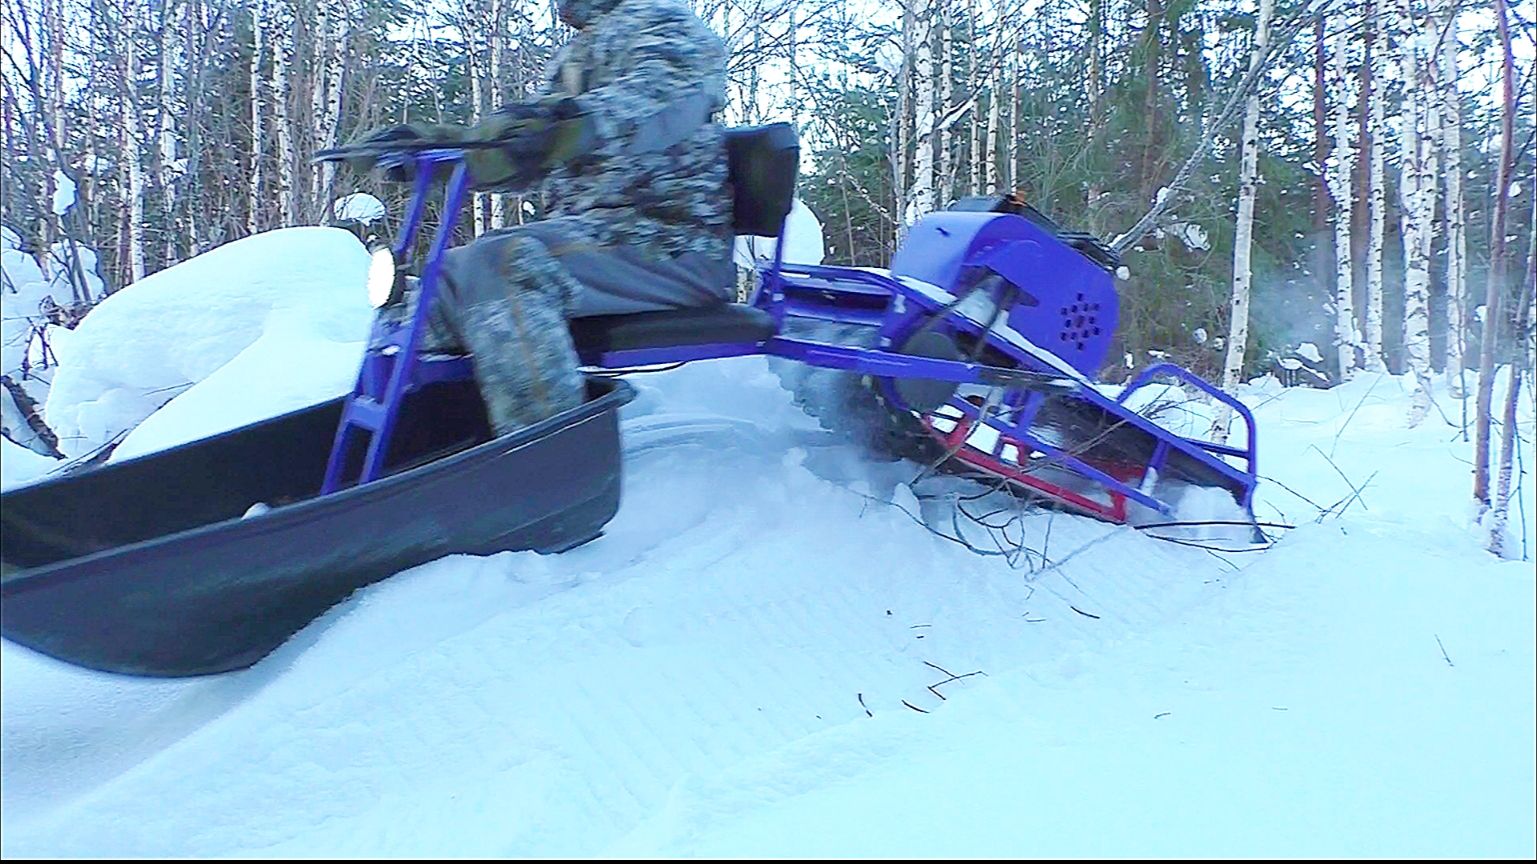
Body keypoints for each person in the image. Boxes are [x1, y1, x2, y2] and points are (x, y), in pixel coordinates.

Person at [359, 0, 734, 435]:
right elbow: (530, 147)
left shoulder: (666, 25)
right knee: (444, 282)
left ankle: (545, 452)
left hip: (670, 241)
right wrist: (442, 150)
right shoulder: (580, 50)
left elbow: (659, 98)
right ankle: (412, 443)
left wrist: (570, 125)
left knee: (504, 265)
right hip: (596, 239)